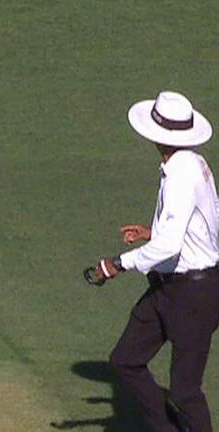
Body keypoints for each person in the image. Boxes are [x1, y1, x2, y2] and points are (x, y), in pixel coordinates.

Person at [89, 90, 219, 431]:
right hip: (169, 288)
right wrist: (153, 232)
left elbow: (170, 245)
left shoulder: (180, 175)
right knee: (126, 361)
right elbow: (202, 223)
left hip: (194, 295)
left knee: (185, 392)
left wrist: (115, 264)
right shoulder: (193, 164)